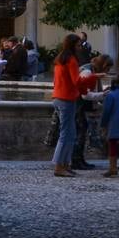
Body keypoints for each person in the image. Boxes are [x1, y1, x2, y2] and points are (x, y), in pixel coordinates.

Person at [50, 33, 82, 177]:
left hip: (58, 97)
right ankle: (58, 166)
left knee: (71, 133)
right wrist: (93, 77)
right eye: (78, 45)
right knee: (66, 134)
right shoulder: (71, 60)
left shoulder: (60, 59)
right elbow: (77, 81)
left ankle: (65, 163)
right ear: (73, 45)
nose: (80, 48)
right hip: (66, 99)